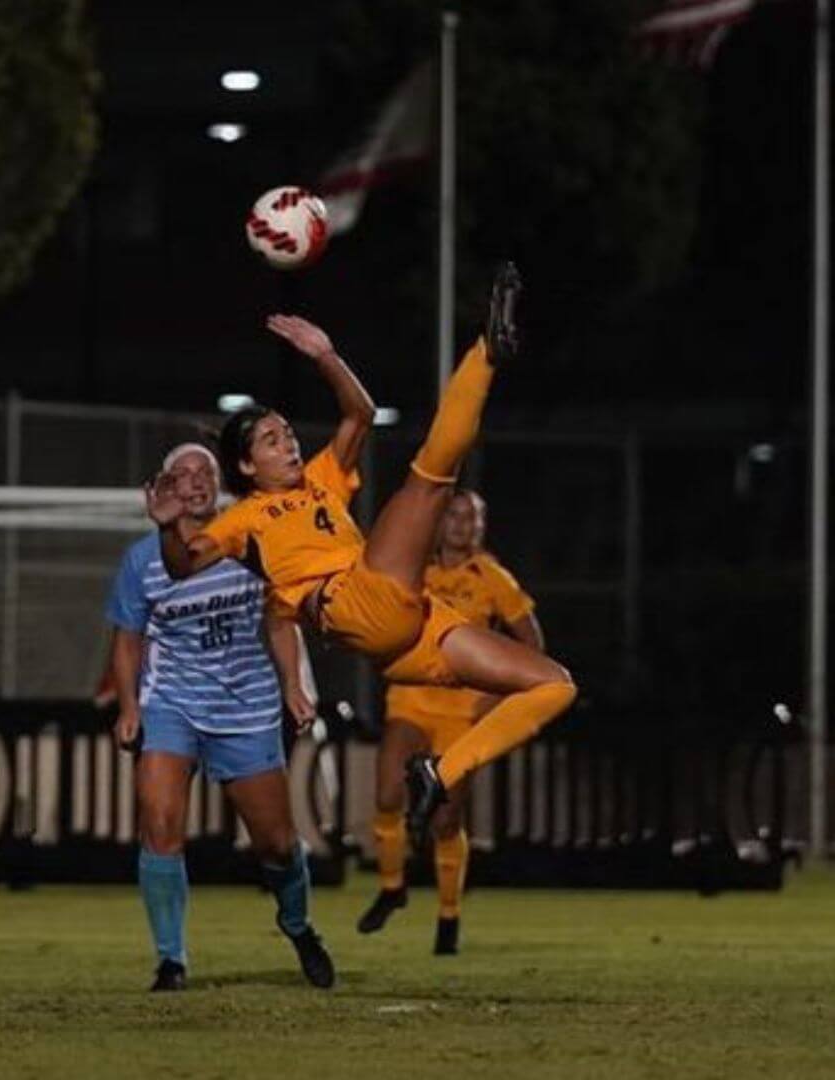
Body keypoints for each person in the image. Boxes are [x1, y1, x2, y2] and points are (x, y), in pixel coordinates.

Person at [146, 263, 575, 839]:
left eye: (287, 432)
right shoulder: (243, 519)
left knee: (554, 684)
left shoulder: (321, 475)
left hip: (412, 629)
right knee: (429, 479)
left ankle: (440, 773)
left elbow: (361, 414)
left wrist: (325, 354)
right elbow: (182, 565)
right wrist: (167, 527)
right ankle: (485, 354)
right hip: (355, 602)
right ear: (248, 466)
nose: (289, 442)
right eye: (272, 441)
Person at [106, 443, 335, 992]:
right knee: (159, 824)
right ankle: (171, 959)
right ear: (165, 489)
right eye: (182, 474)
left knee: (277, 844)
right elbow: (127, 640)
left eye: (205, 471)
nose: (195, 481)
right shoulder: (142, 560)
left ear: (220, 483)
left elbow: (280, 618)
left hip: (246, 706)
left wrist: (293, 686)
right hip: (172, 705)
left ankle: (298, 925)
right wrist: (130, 708)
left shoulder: (247, 538)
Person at [357, 489, 543, 956]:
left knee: (445, 819)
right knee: (386, 794)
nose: (462, 524)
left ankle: (448, 917)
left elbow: (532, 644)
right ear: (439, 523)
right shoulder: (416, 567)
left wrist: (500, 695)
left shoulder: (492, 577)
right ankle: (392, 885)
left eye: (472, 518)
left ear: (481, 527)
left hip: (463, 712)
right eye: (454, 515)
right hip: (412, 700)